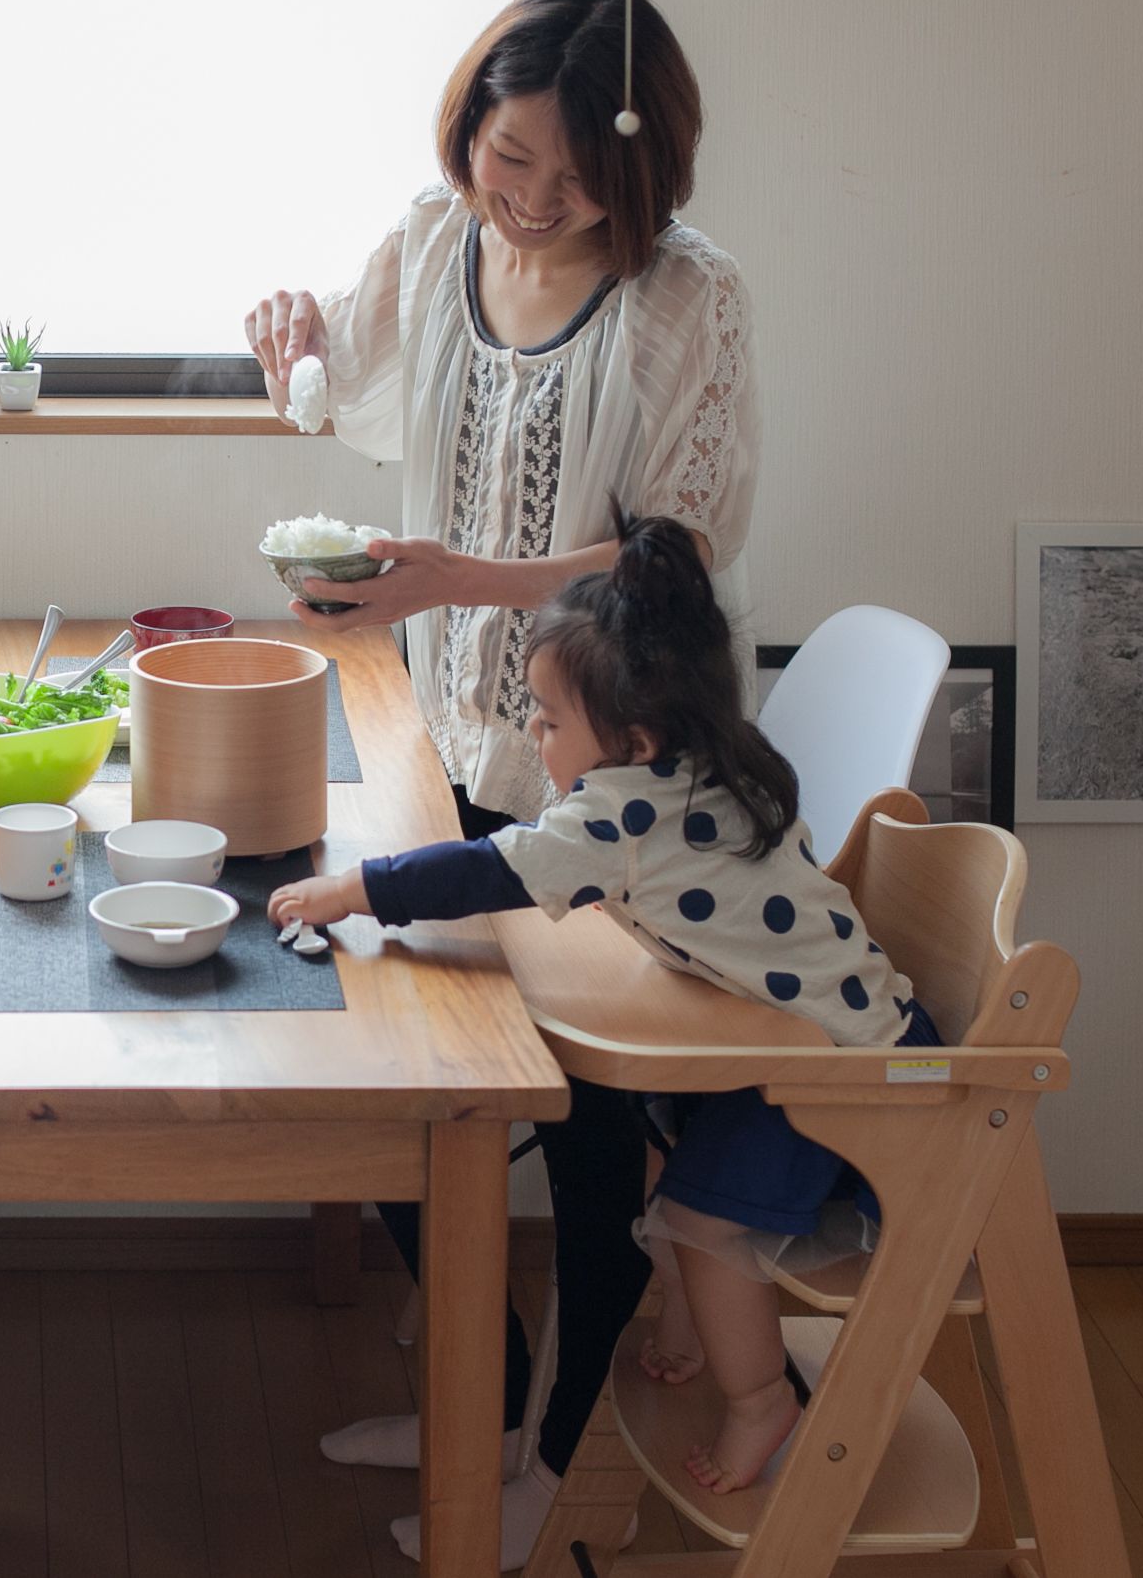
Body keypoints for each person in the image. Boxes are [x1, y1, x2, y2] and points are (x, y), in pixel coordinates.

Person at [244, 0, 760, 1565]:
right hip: (439, 726)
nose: (527, 202)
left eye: (566, 175)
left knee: (595, 1135)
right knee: (390, 1071)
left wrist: (454, 579)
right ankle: (496, 1388)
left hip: (606, 761)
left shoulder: (687, 300)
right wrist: (291, 350)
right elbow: (341, 404)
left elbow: (678, 553)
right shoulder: (436, 232)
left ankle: (541, 1462)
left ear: (637, 162)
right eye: (501, 156)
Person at [272, 517, 936, 1499]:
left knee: (701, 1218)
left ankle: (762, 1400)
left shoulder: (621, 813)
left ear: (633, 737)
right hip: (834, 1036)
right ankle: (691, 1328)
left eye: (545, 719)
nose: (535, 736)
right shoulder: (707, 767)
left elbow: (485, 870)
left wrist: (354, 889)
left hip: (847, 1077)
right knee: (660, 1161)